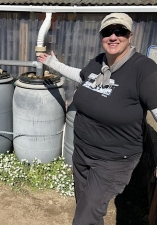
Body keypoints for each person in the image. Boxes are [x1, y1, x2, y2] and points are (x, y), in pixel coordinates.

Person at [38, 12, 157, 225]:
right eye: (107, 32)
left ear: (130, 36)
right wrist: (53, 63)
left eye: (119, 31)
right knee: (84, 206)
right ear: (101, 36)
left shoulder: (144, 70)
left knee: (84, 219)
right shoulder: (98, 63)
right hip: (82, 153)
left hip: (113, 161)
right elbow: (82, 76)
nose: (113, 37)